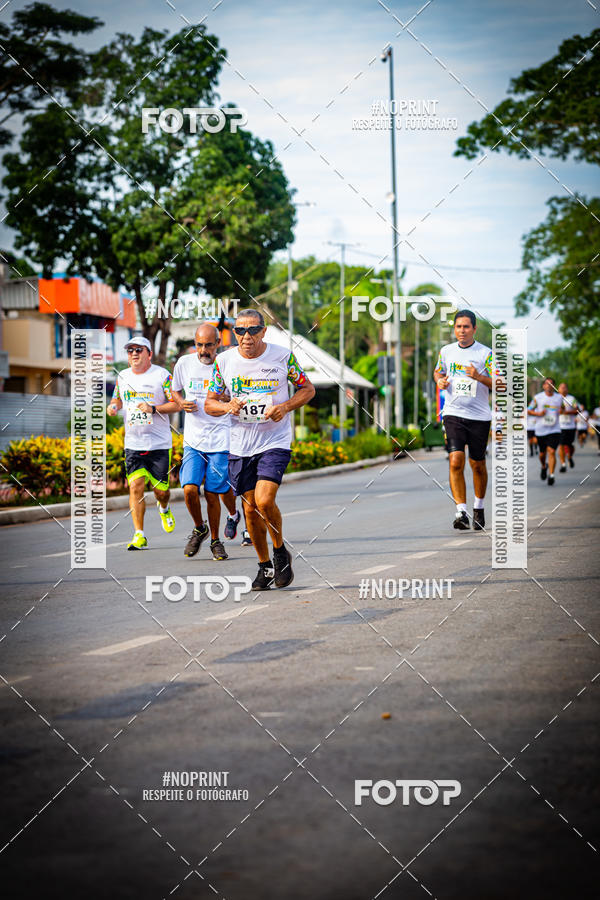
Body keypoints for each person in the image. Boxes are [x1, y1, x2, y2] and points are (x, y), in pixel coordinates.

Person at [205, 309, 315, 590]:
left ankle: (279, 551)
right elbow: (209, 403)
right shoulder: (224, 361)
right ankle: (265, 566)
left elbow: (307, 389)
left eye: (252, 330)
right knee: (251, 510)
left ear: (264, 331)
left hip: (273, 441)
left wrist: (285, 406)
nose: (246, 337)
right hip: (240, 445)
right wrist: (226, 406)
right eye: (240, 331)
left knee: (265, 501)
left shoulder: (282, 357)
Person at [171, 323, 241, 561]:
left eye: (208, 345)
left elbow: (238, 396)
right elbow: (175, 391)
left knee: (212, 493)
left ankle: (215, 541)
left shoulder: (228, 365)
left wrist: (227, 399)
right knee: (189, 489)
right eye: (199, 345)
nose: (203, 350)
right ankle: (199, 527)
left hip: (221, 439)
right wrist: (180, 403)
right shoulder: (184, 363)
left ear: (217, 344)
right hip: (193, 439)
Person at [107, 336, 179, 549]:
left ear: (148, 353)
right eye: (130, 350)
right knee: (136, 487)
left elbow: (177, 403)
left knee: (161, 492)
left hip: (158, 444)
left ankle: (164, 508)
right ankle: (139, 534)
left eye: (139, 349)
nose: (134, 354)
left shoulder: (162, 375)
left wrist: (153, 408)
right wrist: (113, 407)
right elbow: (117, 398)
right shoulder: (123, 376)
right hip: (133, 443)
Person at [433, 309, 493, 531]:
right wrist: (440, 381)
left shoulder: (486, 354)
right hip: (453, 413)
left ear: (474, 329)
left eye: (466, 326)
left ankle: (479, 507)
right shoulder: (446, 351)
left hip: (479, 416)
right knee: (456, 460)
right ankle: (461, 511)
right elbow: (437, 372)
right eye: (458, 326)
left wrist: (478, 376)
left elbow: (501, 384)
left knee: (477, 464)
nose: (462, 331)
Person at [528, 378, 564, 486]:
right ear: (544, 386)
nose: (549, 386)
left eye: (552, 384)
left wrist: (561, 411)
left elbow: (562, 409)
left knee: (552, 451)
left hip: (555, 429)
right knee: (542, 454)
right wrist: (538, 414)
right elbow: (528, 410)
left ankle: (551, 475)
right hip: (541, 430)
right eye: (547, 384)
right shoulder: (537, 398)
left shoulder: (559, 398)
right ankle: (544, 466)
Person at [557, 382, 579, 472]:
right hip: (559, 426)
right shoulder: (555, 398)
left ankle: (569, 457)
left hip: (570, 426)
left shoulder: (572, 399)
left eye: (565, 387)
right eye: (561, 387)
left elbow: (577, 410)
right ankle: (563, 464)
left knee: (570, 445)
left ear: (567, 389)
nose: (563, 389)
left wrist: (566, 412)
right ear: (558, 389)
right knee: (561, 445)